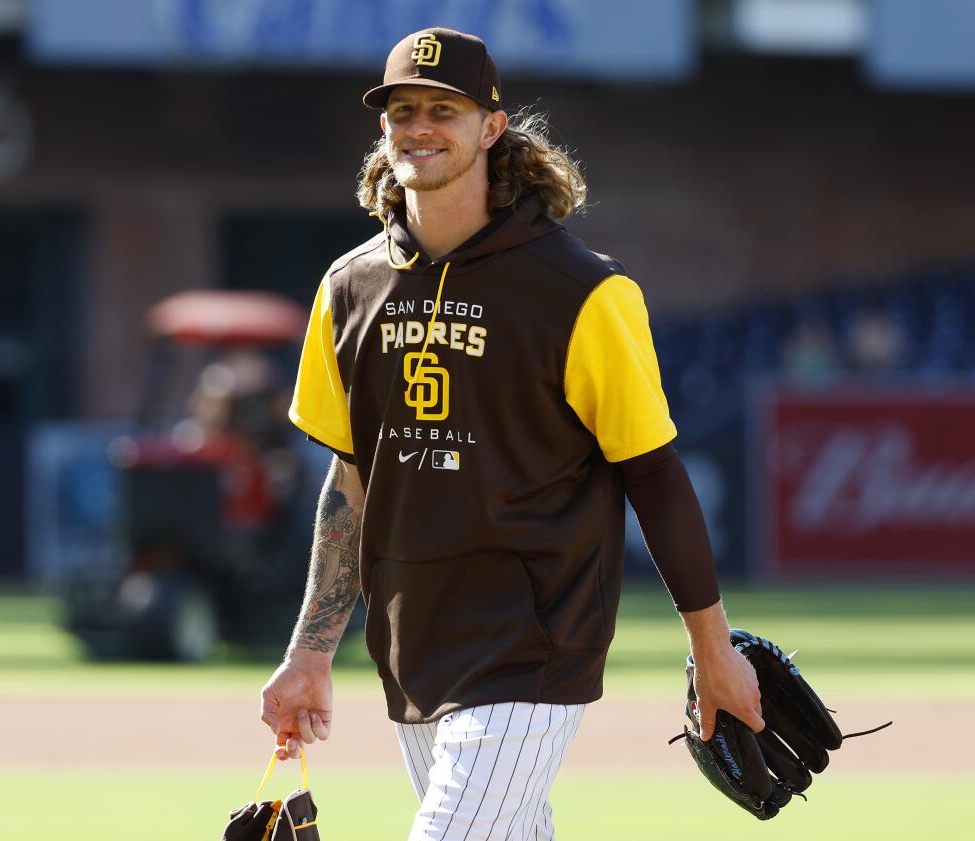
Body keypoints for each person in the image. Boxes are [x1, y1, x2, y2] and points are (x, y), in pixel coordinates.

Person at [260, 27, 763, 840]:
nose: (417, 126)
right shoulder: (349, 288)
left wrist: (712, 646)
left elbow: (655, 474)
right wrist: (310, 650)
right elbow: (351, 481)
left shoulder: (582, 290)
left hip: (534, 638)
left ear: (491, 127)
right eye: (401, 111)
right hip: (412, 636)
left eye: (442, 109)